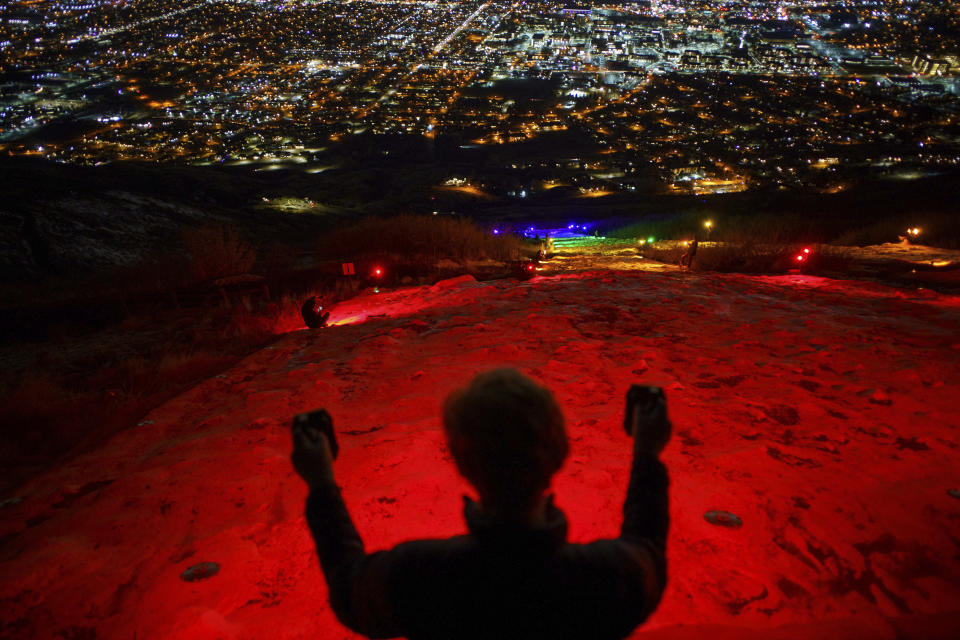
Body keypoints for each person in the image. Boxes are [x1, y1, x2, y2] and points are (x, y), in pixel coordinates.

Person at [291, 368, 671, 640]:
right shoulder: (602, 582)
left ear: (461, 462)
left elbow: (349, 588)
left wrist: (322, 483)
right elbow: (648, 552)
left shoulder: (420, 577)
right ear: (559, 453)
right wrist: (647, 455)